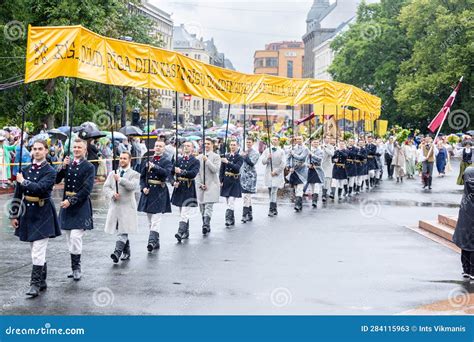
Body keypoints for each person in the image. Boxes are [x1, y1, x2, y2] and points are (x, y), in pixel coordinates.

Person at [9, 140, 61, 298]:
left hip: (43, 212)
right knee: (34, 249)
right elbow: (18, 194)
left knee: (38, 250)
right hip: (27, 213)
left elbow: (39, 188)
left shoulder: (50, 171)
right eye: (34, 149)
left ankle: (35, 284)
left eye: (40, 149)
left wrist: (23, 181)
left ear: (46, 151)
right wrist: (14, 214)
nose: (37, 151)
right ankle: (43, 281)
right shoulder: (24, 169)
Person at [56, 138, 95, 281]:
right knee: (68, 237)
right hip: (66, 205)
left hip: (80, 205)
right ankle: (73, 268)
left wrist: (70, 201)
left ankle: (77, 268)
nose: (77, 149)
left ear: (85, 150)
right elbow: (55, 180)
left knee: (75, 237)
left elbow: (86, 189)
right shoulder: (68, 164)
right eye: (75, 147)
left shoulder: (89, 167)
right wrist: (62, 167)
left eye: (80, 147)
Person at [103, 152, 140, 263]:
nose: (122, 160)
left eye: (124, 158)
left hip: (128, 207)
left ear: (130, 160)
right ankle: (126, 251)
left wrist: (120, 180)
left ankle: (117, 252)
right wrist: (112, 194)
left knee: (123, 231)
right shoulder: (112, 173)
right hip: (115, 206)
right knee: (122, 229)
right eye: (121, 158)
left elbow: (132, 186)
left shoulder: (135, 174)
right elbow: (106, 188)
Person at [137, 141, 173, 251]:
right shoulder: (147, 160)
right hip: (148, 192)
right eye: (156, 146)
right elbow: (142, 177)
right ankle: (156, 241)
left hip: (159, 192)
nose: (158, 148)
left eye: (160, 146)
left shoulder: (166, 161)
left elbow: (166, 173)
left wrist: (154, 167)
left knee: (156, 220)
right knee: (150, 220)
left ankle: (151, 242)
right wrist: (143, 188)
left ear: (164, 149)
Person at [171, 141, 200, 242]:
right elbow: (170, 173)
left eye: (188, 146)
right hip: (179, 188)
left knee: (184, 213)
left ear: (192, 149)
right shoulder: (178, 160)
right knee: (181, 212)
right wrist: (173, 182)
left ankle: (180, 232)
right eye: (185, 146)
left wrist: (182, 172)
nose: (186, 147)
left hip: (188, 187)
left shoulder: (195, 161)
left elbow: (193, 174)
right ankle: (186, 231)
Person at [452, 166, 474, 279]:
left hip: (465, 213)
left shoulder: (468, 172)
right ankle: (472, 271)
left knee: (465, 243)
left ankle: (466, 269)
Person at [196, 138, 221, 234]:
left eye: (208, 144)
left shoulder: (216, 157)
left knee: (209, 206)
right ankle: (206, 224)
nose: (206, 145)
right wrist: (200, 184)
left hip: (212, 185)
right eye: (205, 144)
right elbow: (197, 173)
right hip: (202, 185)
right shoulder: (198, 157)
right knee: (202, 207)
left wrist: (207, 161)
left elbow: (215, 169)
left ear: (212, 145)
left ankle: (205, 225)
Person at [220, 140, 243, 227]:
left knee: (231, 201)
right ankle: (232, 219)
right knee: (227, 201)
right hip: (226, 181)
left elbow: (237, 168)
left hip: (234, 181)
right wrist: (221, 180)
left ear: (237, 146)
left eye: (234, 145)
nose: (232, 146)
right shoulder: (226, 156)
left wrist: (228, 162)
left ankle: (228, 219)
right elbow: (222, 169)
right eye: (231, 145)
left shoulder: (239, 157)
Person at [261, 136, 286, 217]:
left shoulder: (281, 151)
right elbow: (263, 162)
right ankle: (274, 208)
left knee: (274, 191)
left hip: (277, 174)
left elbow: (283, 163)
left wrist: (276, 172)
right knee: (270, 191)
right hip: (268, 173)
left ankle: (271, 209)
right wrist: (268, 158)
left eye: (275, 139)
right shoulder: (267, 150)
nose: (274, 141)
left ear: (278, 141)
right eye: (273, 139)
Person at [239, 137, 260, 223]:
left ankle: (244, 215)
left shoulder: (256, 153)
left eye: (250, 142)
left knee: (246, 195)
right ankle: (250, 214)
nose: (248, 143)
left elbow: (252, 163)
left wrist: (245, 156)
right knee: (247, 196)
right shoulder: (242, 151)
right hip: (243, 175)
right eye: (247, 142)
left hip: (251, 176)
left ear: (253, 143)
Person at [287, 136, 309, 212]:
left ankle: (297, 205)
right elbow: (288, 158)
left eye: (300, 139)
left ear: (303, 140)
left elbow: (301, 157)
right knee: (296, 189)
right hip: (293, 171)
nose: (298, 140)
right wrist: (288, 166)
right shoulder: (292, 148)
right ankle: (299, 204)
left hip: (302, 171)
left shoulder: (305, 149)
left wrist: (293, 154)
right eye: (297, 139)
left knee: (300, 188)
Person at [306, 139, 324, 207]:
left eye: (317, 142)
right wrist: (308, 164)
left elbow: (320, 159)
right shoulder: (308, 150)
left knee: (317, 185)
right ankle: (313, 199)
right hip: (310, 170)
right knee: (312, 186)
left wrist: (312, 155)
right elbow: (306, 160)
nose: (316, 143)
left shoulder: (321, 151)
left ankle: (314, 201)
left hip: (318, 169)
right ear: (312, 143)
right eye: (314, 142)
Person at [321, 136, 335, 201]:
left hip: (328, 166)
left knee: (327, 180)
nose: (328, 139)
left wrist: (325, 148)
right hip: (320, 165)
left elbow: (331, 154)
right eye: (326, 138)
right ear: (324, 139)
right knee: (322, 180)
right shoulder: (319, 145)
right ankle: (322, 193)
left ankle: (324, 194)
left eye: (329, 138)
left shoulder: (331, 147)